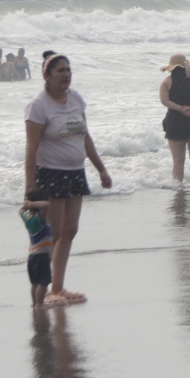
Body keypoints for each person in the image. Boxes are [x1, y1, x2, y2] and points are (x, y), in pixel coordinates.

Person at [24, 50, 113, 306]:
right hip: (50, 175)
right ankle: (45, 290)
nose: (66, 75)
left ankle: (59, 289)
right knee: (53, 234)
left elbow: (84, 136)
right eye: (60, 70)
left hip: (75, 173)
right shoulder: (38, 105)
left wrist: (101, 168)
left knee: (70, 231)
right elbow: (31, 148)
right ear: (47, 75)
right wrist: (30, 187)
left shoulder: (75, 99)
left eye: (68, 70)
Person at [159, 54, 190, 186]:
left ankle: (178, 190)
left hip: (175, 120)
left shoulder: (166, 82)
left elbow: (164, 101)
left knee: (178, 161)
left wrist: (181, 109)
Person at [19, 187, 55, 309]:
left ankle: (34, 303)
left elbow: (20, 210)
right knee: (44, 283)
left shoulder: (25, 216)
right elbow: (47, 204)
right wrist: (32, 204)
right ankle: (40, 304)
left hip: (32, 256)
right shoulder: (40, 217)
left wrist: (27, 204)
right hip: (42, 255)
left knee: (34, 283)